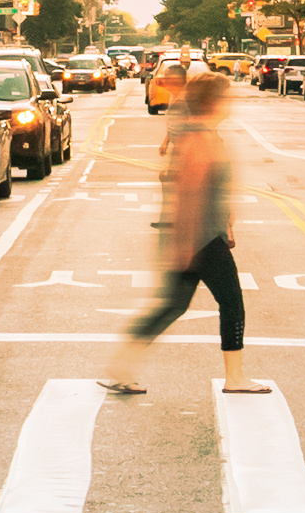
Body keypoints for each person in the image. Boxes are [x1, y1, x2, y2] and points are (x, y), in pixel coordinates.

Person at [101, 72, 267, 400]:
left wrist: (225, 223)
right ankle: (235, 377)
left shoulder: (203, 135)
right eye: (227, 96)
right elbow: (189, 194)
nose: (231, 102)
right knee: (232, 303)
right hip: (201, 240)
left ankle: (121, 366)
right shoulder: (199, 140)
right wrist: (185, 246)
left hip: (201, 237)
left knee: (172, 307)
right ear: (214, 102)